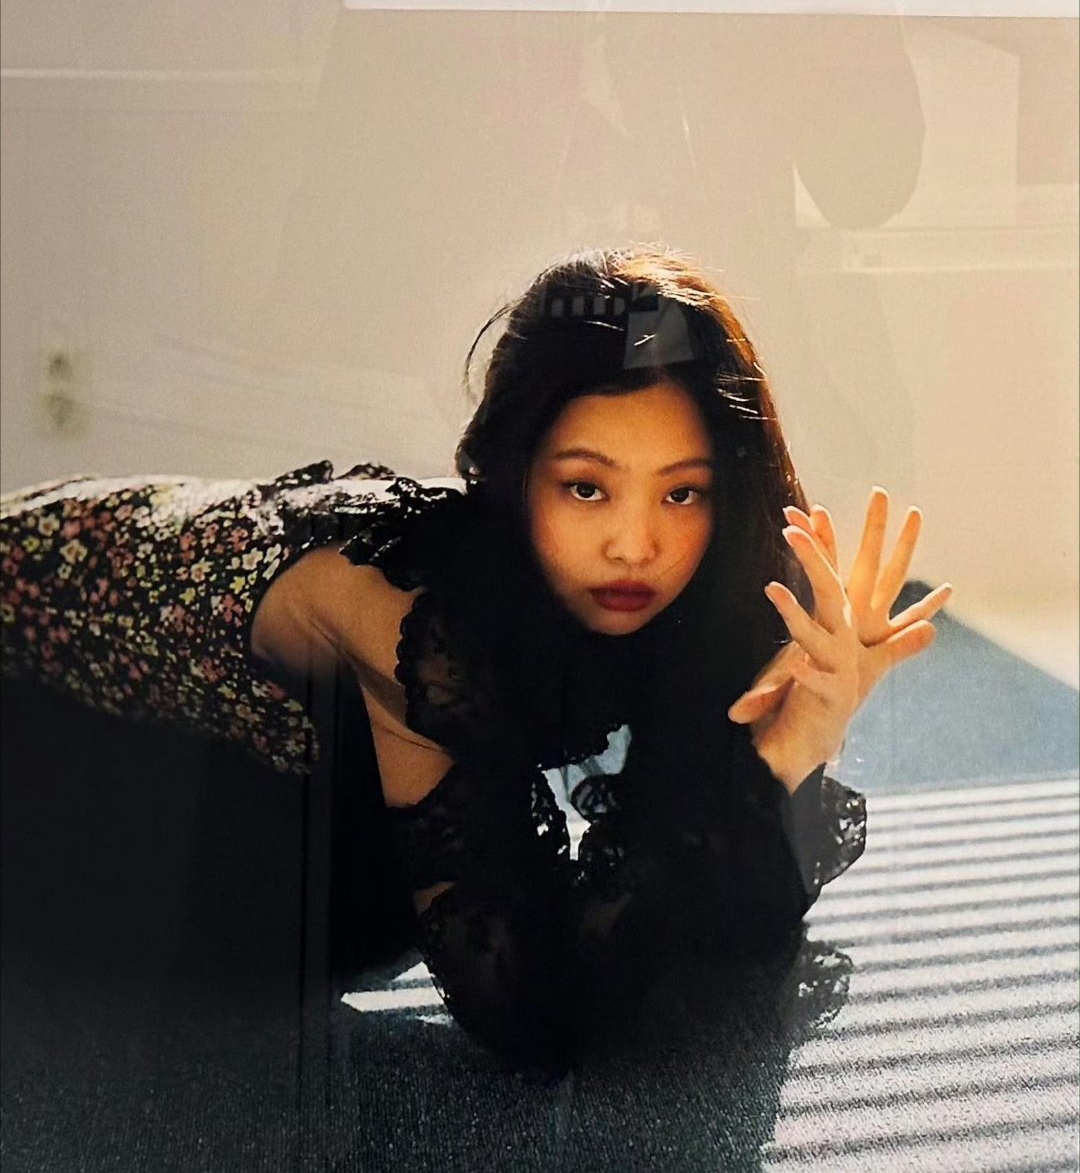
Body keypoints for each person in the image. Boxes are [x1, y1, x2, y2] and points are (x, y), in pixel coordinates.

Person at [0, 246, 952, 1074]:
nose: (635, 546)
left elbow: (722, 930)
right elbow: (535, 1016)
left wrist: (802, 738)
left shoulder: (706, 584)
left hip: (226, 748)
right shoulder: (414, 615)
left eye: (682, 493)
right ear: (514, 472)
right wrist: (760, 768)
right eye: (586, 488)